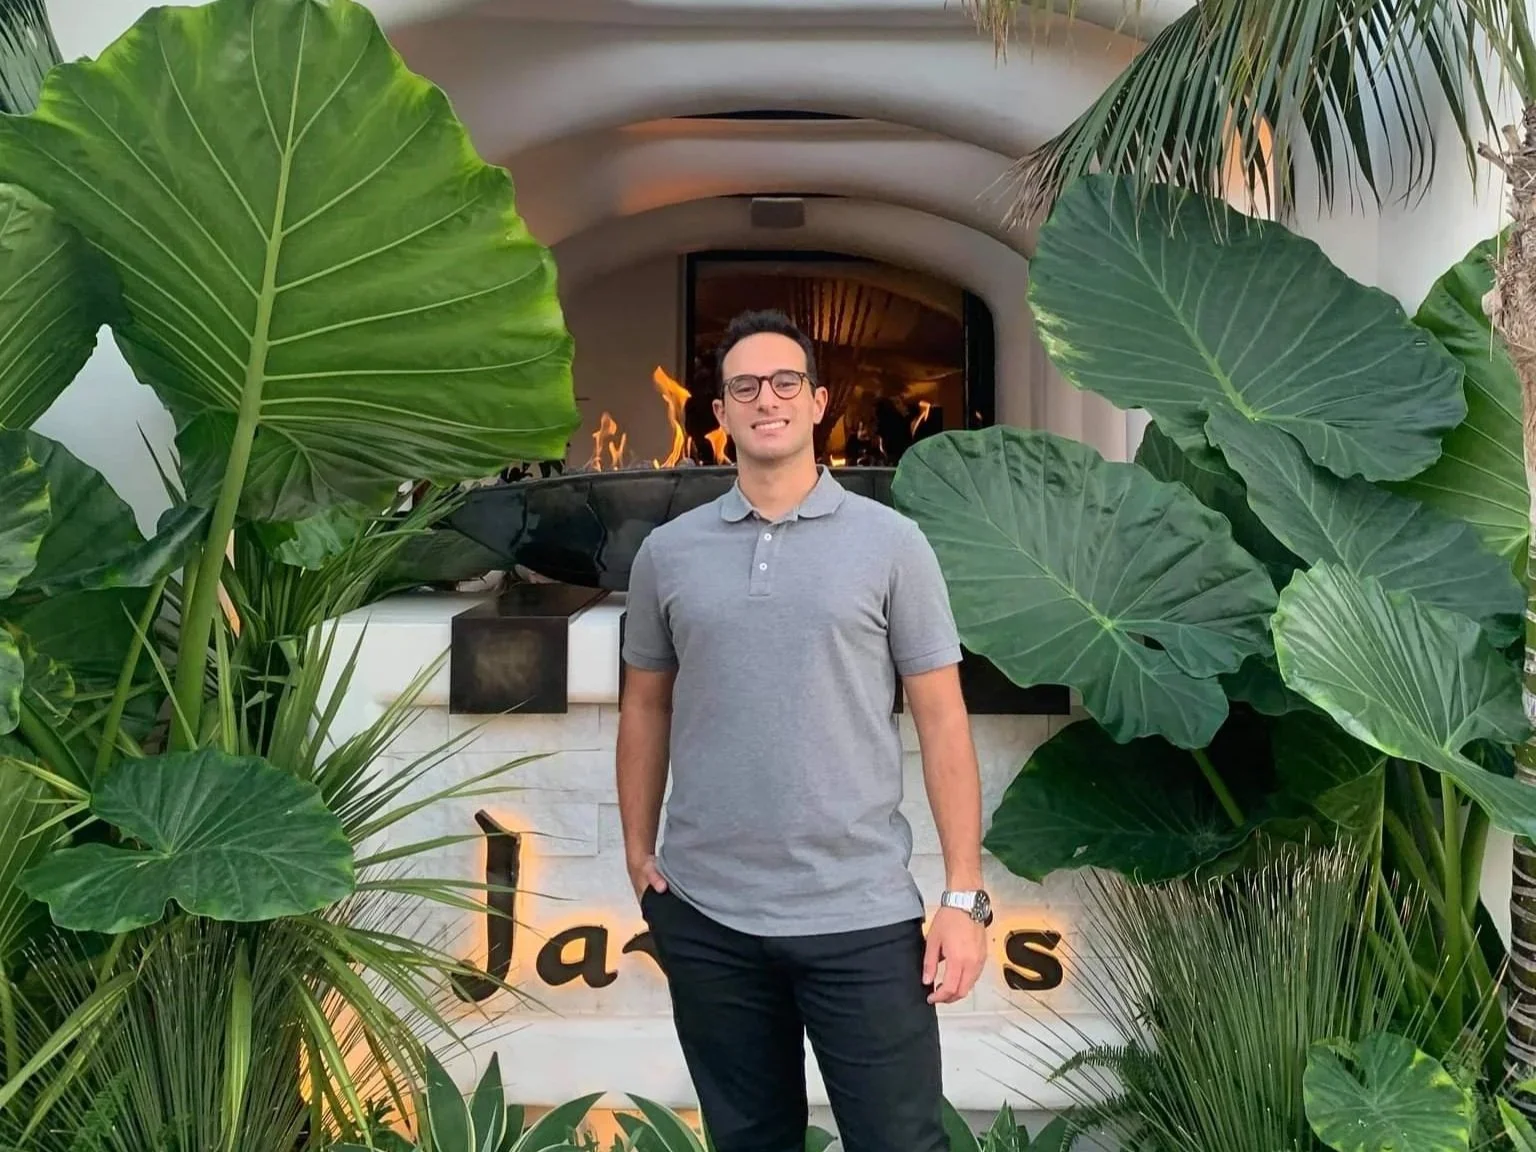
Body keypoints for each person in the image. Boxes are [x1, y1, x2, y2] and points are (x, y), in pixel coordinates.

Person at [615, 309, 989, 1152]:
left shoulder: (893, 545)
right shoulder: (668, 554)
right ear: (721, 412)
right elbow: (645, 706)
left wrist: (964, 896)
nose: (767, 399)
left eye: (786, 382)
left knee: (901, 1143)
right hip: (709, 917)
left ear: (819, 402)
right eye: (745, 386)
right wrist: (639, 858)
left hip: (860, 916)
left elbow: (942, 719)